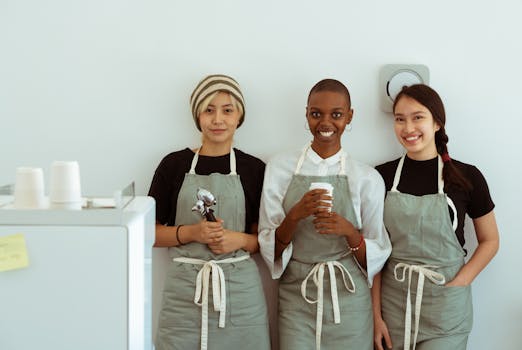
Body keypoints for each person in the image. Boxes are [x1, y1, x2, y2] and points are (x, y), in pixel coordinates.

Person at [258, 78, 392, 350]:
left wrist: (350, 233)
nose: (326, 123)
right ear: (306, 114)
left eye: (337, 114)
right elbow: (269, 247)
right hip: (297, 298)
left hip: (351, 301)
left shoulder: (367, 178)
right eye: (316, 114)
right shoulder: (279, 167)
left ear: (350, 116)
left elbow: (377, 254)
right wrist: (294, 216)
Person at [372, 84, 500, 350]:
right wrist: (375, 317)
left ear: (437, 123)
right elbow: (375, 252)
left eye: (418, 117)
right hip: (393, 307)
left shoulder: (467, 176)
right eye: (400, 119)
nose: (408, 128)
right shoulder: (380, 177)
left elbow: (490, 240)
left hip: (446, 309)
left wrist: (460, 283)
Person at [149, 74, 270, 350]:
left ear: (239, 115)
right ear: (197, 116)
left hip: (240, 296)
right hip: (184, 296)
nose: (218, 119)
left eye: (227, 110)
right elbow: (149, 233)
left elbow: (267, 238)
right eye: (209, 110)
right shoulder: (173, 165)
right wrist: (192, 232)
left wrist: (237, 240)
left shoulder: (254, 169)